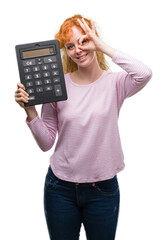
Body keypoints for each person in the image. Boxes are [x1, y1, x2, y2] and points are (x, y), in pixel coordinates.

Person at [15, 14, 152, 240]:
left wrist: (101, 46)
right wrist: (30, 111)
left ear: (94, 40)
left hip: (103, 189)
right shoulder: (58, 86)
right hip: (59, 188)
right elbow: (46, 143)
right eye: (70, 46)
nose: (78, 50)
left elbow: (144, 73)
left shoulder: (115, 83)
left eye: (83, 41)